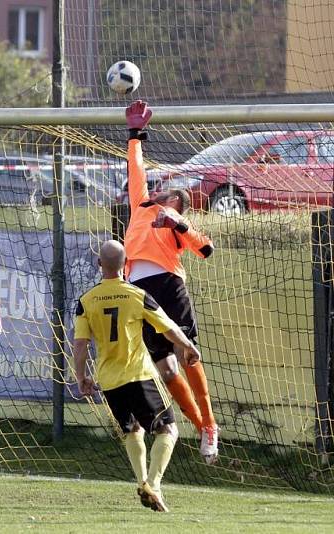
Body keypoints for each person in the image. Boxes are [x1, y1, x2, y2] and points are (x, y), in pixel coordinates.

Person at [73, 240, 202, 512]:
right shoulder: (137, 295)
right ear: (126, 263)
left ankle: (143, 482)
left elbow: (81, 344)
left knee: (132, 430)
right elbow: (167, 327)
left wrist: (81, 376)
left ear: (99, 265)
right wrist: (188, 346)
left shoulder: (85, 302)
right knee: (168, 430)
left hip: (108, 380)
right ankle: (153, 484)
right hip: (138, 375)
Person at [123, 100, 219, 463]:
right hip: (140, 291)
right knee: (164, 368)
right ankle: (201, 426)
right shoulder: (142, 207)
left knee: (187, 354)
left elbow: (205, 249)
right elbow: (136, 170)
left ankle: (209, 423)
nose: (172, 198)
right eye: (170, 195)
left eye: (180, 201)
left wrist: (179, 224)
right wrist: (135, 135)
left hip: (168, 284)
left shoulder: (178, 228)